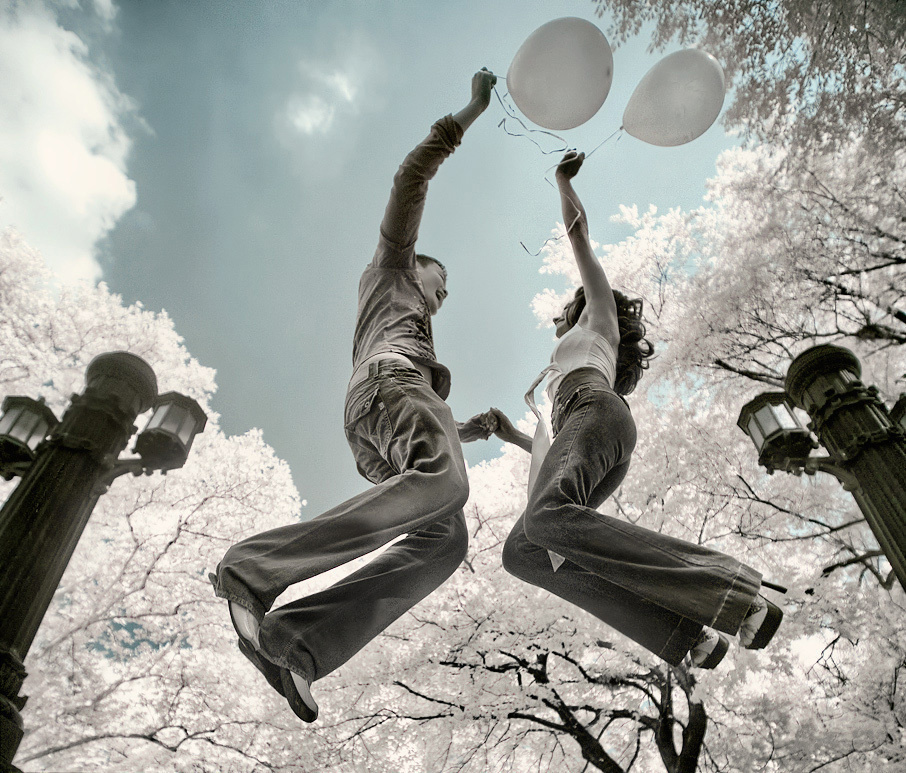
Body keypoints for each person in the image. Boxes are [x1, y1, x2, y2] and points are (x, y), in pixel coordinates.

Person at [208, 69, 498, 722]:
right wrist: (472, 110)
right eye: (440, 280)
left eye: (445, 293)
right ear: (416, 265)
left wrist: (467, 431)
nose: (442, 294)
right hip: (388, 387)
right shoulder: (392, 269)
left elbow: (416, 419)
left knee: (445, 538)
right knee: (447, 484)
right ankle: (253, 569)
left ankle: (297, 642)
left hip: (380, 417)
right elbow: (409, 178)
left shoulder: (406, 323)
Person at [481, 151, 784, 670]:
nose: (556, 324)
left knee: (546, 517)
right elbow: (564, 450)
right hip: (591, 424)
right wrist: (512, 435)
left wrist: (561, 181)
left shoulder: (599, 319)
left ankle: (733, 593)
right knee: (525, 550)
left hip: (596, 409)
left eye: (562, 315)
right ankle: (686, 634)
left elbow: (578, 235)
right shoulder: (571, 371)